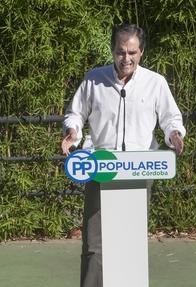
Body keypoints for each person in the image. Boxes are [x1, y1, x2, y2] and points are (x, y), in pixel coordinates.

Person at [61, 23, 186, 287]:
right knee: (95, 244)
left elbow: (170, 118)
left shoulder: (156, 83)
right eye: (120, 52)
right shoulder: (93, 79)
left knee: (131, 244)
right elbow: (75, 113)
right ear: (112, 50)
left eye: (132, 52)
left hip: (139, 171)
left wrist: (175, 134)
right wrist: (73, 132)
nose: (125, 59)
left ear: (141, 52)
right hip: (101, 167)